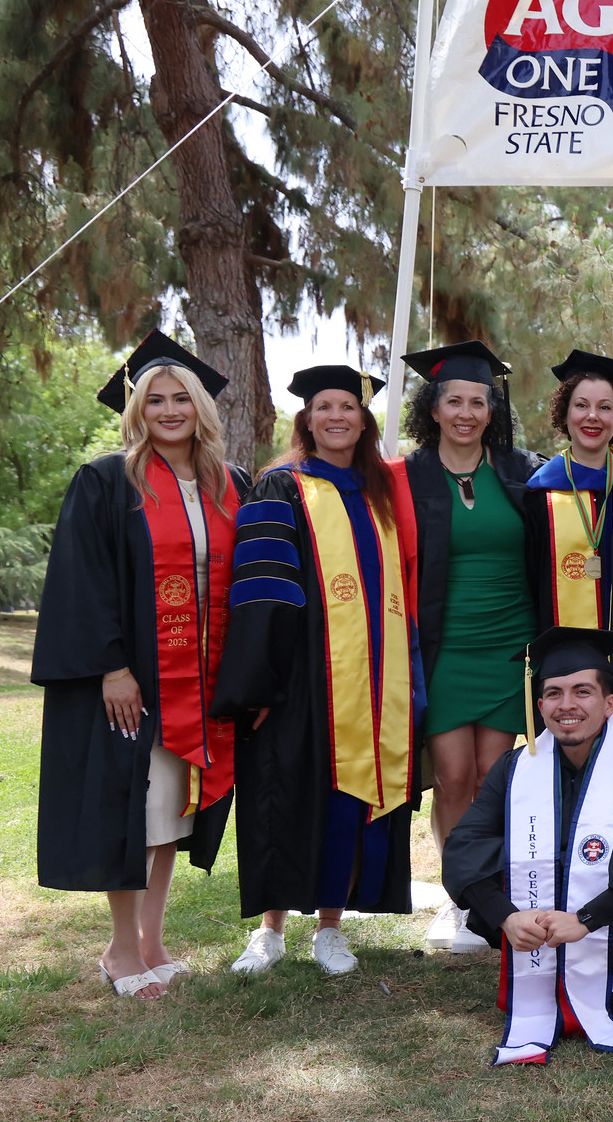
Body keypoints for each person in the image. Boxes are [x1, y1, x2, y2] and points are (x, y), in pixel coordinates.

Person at [34, 333, 248, 999]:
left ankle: (152, 940)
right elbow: (84, 579)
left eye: (180, 396)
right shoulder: (106, 480)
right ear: (137, 411)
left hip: (203, 682)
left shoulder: (229, 482)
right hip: (136, 681)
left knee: (170, 813)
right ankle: (121, 949)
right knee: (132, 809)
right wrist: (111, 666)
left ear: (201, 406)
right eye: (154, 399)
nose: (168, 408)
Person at [214, 365, 424, 977]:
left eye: (348, 408)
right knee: (282, 791)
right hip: (301, 678)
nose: (337, 417)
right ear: (306, 418)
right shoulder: (281, 486)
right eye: (324, 407)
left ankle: (331, 929)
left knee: (348, 801)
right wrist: (259, 680)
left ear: (365, 420)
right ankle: (270, 929)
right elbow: (260, 587)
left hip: (375, 678)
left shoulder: (380, 491)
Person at [443, 627, 613, 1063]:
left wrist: (588, 918)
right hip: (533, 922)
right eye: (553, 693)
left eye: (582, 691)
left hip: (610, 923)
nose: (567, 705)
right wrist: (506, 916)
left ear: (610, 704)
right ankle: (538, 986)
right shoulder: (514, 769)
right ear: (540, 707)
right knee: (500, 854)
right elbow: (463, 845)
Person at [399, 341, 544, 953]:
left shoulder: (522, 470)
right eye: (453, 400)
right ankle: (459, 901)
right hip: (445, 645)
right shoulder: (406, 477)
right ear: (432, 408)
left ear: (492, 409)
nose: (465, 412)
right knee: (453, 776)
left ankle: (493, 895)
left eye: (477, 402)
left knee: (493, 776)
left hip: (512, 644)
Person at [521, 350, 613, 726]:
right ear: (565, 413)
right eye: (581, 405)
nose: (593, 417)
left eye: (605, 407)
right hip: (564, 660)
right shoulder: (538, 493)